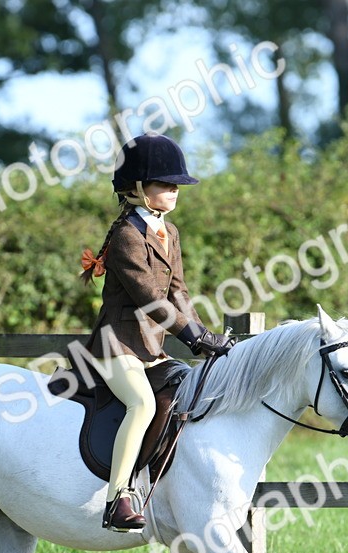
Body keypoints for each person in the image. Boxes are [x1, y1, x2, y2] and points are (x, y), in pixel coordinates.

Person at [79, 133, 234, 532]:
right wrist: (194, 339)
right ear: (137, 189)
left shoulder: (170, 231)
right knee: (142, 406)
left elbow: (178, 292)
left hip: (152, 348)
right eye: (165, 184)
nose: (174, 190)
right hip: (118, 347)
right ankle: (117, 499)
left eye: (176, 184)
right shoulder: (127, 236)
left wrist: (205, 333)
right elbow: (151, 299)